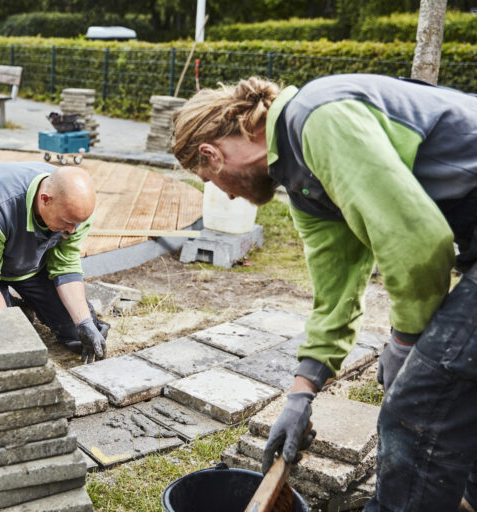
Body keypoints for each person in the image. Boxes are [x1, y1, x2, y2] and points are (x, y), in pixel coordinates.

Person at [171, 73, 477, 511]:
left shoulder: (318, 118)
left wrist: (406, 341)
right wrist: (302, 391)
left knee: (420, 404)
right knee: (460, 383)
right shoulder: (303, 182)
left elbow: (417, 244)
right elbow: (336, 293)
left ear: (212, 155)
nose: (230, 197)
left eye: (215, 183)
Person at [0, 162, 108, 364]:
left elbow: (65, 266)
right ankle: (13, 307)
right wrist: (13, 330)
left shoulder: (75, 211)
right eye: (67, 223)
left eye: (77, 223)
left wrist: (84, 322)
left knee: (79, 332)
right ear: (45, 200)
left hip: (31, 265)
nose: (72, 230)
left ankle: (20, 305)